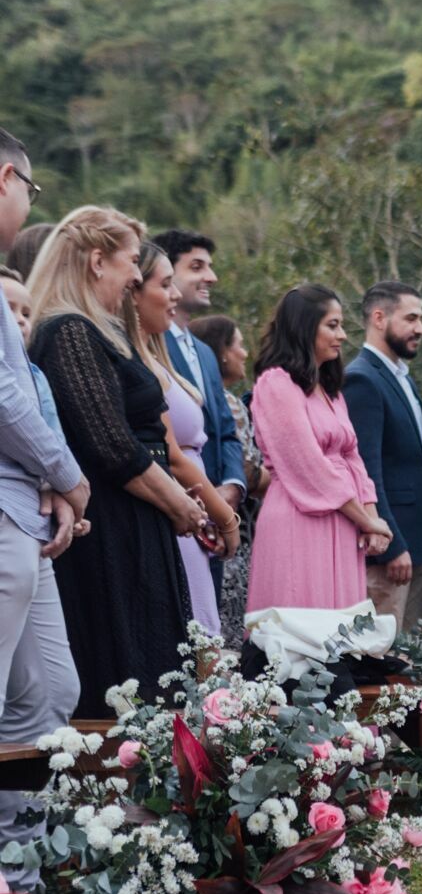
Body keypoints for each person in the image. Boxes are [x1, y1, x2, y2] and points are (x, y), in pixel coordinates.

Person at [27, 206, 202, 717]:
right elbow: (112, 446)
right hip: (113, 525)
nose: (135, 276)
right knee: (131, 673)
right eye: (131, 261)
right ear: (97, 261)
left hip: (137, 518)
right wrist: (182, 506)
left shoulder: (97, 329)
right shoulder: (69, 332)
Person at [0, 133, 86, 889]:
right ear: (8, 178)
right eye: (30, 188)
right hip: (4, 511)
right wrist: (68, 475)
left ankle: (22, 866)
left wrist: (54, 483)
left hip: (27, 511)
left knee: (52, 689)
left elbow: (25, 398)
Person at [247, 284, 387, 614]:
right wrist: (364, 519)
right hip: (301, 514)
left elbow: (353, 455)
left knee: (342, 636)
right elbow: (307, 464)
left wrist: (372, 515)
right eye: (332, 325)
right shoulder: (276, 383)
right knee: (304, 627)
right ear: (305, 327)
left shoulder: (329, 390)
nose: (342, 335)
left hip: (344, 518)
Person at [126, 242, 239, 636]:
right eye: (167, 283)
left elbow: (221, 430)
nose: (175, 294)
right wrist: (223, 516)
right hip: (178, 505)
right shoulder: (135, 365)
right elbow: (171, 454)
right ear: (133, 291)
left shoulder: (161, 357)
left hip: (196, 506)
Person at [344, 282, 422, 633]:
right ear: (379, 318)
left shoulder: (402, 378)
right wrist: (393, 545)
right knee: (389, 655)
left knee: (412, 657)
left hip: (420, 544)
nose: (420, 329)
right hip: (392, 550)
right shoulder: (361, 379)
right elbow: (367, 471)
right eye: (411, 318)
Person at [154, 231, 246, 570]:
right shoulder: (150, 347)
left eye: (209, 267)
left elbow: (225, 430)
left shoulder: (206, 353)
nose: (211, 277)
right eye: (197, 267)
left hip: (220, 513)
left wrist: (233, 486)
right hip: (180, 511)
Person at [191, 314, 269, 646]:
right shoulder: (228, 404)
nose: (244, 353)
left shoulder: (229, 400)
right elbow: (248, 470)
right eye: (238, 344)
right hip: (232, 525)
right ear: (220, 352)